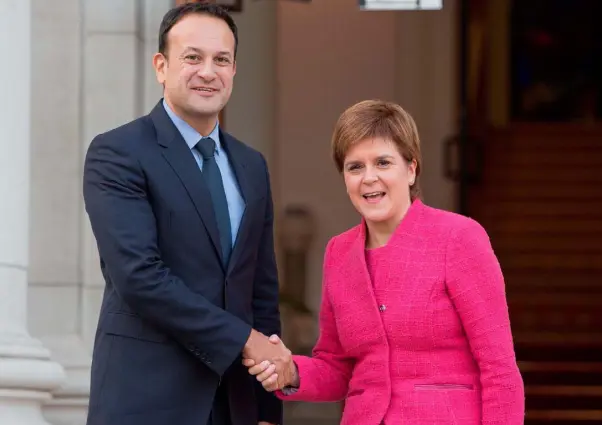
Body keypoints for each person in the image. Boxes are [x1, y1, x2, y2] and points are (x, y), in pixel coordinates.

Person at [244, 100, 525, 424]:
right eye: (355, 167)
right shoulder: (339, 252)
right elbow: (337, 369)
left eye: (383, 162)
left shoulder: (459, 239)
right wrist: (290, 369)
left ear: (411, 169)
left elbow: (499, 369)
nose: (369, 178)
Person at [83, 3, 287, 425]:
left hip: (233, 405)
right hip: (146, 400)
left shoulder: (252, 166)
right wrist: (244, 340)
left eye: (221, 60)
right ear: (161, 66)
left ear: (234, 70)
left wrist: (266, 406)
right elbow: (139, 277)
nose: (208, 72)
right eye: (192, 57)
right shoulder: (118, 152)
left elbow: (261, 288)